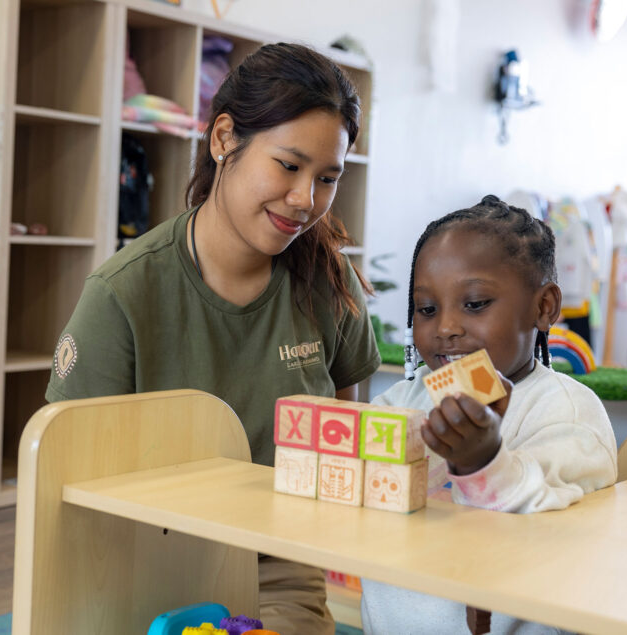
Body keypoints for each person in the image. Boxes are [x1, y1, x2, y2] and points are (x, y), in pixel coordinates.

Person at [46, 42, 381, 634]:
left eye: (327, 178)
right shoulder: (123, 294)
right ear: (224, 138)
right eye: (288, 165)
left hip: (275, 566)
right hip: (142, 559)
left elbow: (345, 442)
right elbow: (67, 479)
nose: (306, 200)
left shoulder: (331, 284)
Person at [360, 195, 617, 635]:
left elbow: (548, 528)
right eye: (427, 309)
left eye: (475, 304)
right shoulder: (402, 401)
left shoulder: (567, 413)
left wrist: (482, 461)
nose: (445, 328)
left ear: (544, 307)